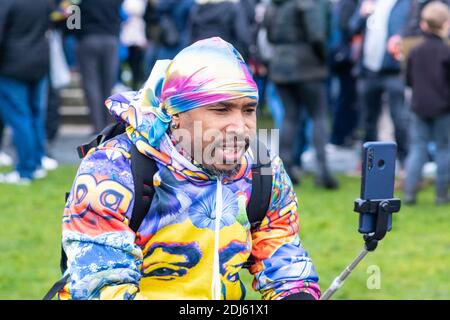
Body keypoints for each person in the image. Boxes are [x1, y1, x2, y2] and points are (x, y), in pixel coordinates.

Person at [59, 37, 320, 300]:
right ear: (176, 115)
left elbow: (282, 252)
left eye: (248, 109)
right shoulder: (113, 168)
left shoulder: (262, 167)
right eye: (221, 109)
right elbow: (100, 287)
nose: (240, 128)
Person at [264, 0, 338, 189]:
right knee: (319, 116)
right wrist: (322, 58)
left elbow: (270, 36)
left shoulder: (273, 5)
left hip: (280, 65)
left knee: (289, 117)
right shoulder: (306, 4)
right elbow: (317, 36)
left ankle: (285, 169)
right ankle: (323, 172)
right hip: (307, 65)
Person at [349, 0, 411, 166]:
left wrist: (401, 38)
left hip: (394, 71)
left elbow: (414, 28)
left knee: (399, 118)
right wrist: (362, 15)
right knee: (368, 119)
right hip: (369, 70)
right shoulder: (368, 2)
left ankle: (406, 165)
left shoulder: (405, 4)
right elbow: (352, 28)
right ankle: (368, 163)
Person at [403, 1, 450, 205]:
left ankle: (409, 193)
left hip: (419, 107)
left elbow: (408, 80)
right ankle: (441, 195)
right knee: (444, 149)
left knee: (418, 148)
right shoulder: (447, 52)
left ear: (423, 24)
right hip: (443, 108)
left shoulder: (414, 51)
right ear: (445, 24)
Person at [0, 0, 50, 185]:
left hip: (12, 65)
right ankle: (36, 164)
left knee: (20, 117)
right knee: (35, 115)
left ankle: (25, 170)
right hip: (38, 62)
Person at [74, 0, 124, 133]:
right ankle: (108, 125)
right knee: (108, 84)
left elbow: (73, 15)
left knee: (91, 85)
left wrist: (75, 33)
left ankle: (97, 126)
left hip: (88, 38)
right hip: (110, 39)